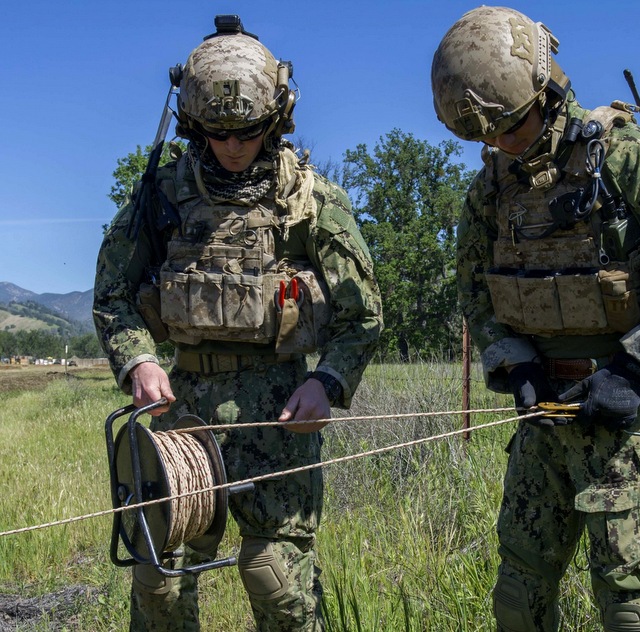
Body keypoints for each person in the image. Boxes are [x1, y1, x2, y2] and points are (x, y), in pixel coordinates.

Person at [431, 7, 640, 632]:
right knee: (518, 601)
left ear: (546, 91)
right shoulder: (491, 188)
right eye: (483, 138)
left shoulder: (628, 160)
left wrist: (630, 370)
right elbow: (473, 292)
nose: (498, 145)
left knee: (635, 611)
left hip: (631, 428)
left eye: (509, 128)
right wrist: (514, 365)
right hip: (543, 425)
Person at [94, 15, 382, 631]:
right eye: (217, 133)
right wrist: (139, 361)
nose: (232, 145)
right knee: (157, 581)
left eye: (247, 132)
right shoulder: (162, 195)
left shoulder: (307, 199)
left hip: (278, 414)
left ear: (274, 120)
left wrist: (325, 384)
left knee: (276, 580)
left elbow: (363, 314)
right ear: (195, 125)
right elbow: (112, 295)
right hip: (182, 416)